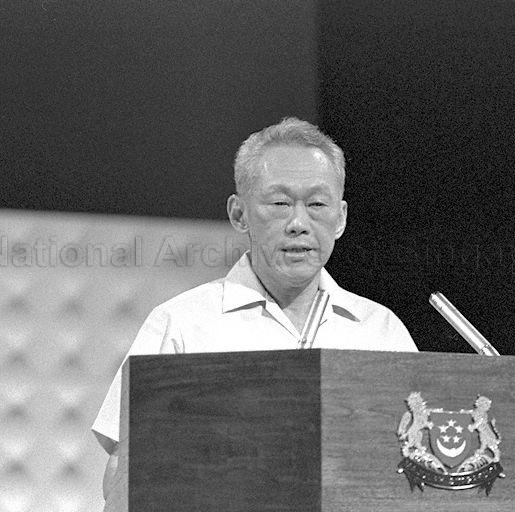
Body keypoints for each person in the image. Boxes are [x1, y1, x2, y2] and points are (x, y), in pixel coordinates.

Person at [93, 117, 418, 501]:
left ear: (341, 218)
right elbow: (125, 469)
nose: (299, 223)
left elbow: (414, 462)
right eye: (280, 203)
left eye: (317, 204)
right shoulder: (183, 323)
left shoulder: (380, 330)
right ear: (238, 214)